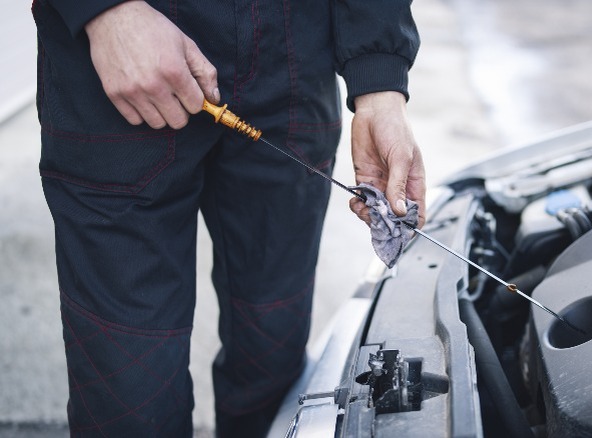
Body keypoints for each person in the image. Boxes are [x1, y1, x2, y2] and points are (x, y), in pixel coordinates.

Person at [32, 0, 426, 435]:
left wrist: (380, 82)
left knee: (272, 364)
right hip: (121, 75)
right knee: (129, 399)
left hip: (293, 70)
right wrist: (107, 12)